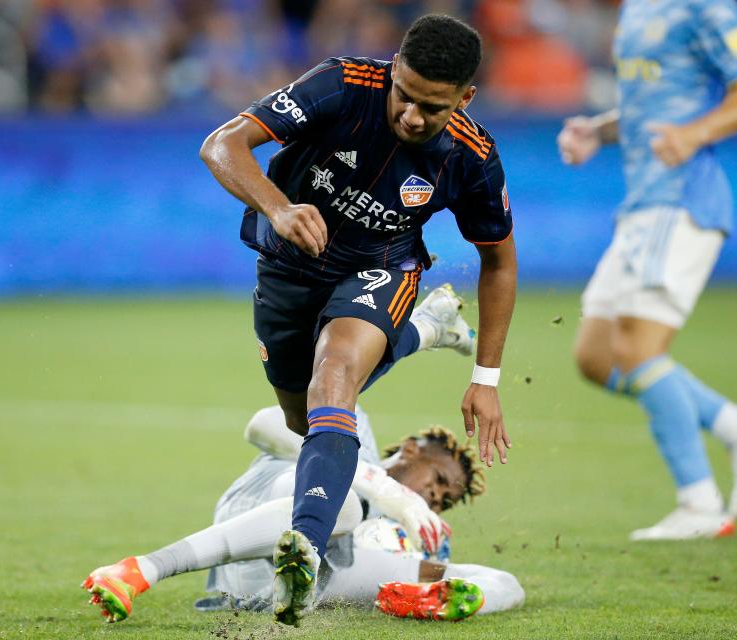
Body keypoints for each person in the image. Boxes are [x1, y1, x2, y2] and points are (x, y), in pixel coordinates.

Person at [198, 13, 517, 625]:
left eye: (434, 107)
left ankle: (305, 550)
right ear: (393, 68)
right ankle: (425, 330)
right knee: (303, 419)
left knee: (335, 381)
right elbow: (222, 143)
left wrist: (488, 378)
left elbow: (499, 261)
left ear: (466, 98)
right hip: (289, 267)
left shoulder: (472, 157)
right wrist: (279, 205)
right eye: (406, 95)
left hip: (379, 269)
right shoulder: (341, 84)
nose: (413, 117)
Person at [557, 0, 737, 541]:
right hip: (643, 207)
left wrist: (696, 134)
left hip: (681, 201)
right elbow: (654, 106)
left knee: (637, 348)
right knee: (596, 354)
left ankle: (699, 503)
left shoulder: (704, 5)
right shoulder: (637, 11)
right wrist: (598, 131)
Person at [81, 405, 525, 624]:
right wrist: (385, 488)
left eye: (443, 500)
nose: (434, 497)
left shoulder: (402, 526)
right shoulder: (354, 428)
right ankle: (144, 568)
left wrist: (425, 563)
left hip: (304, 578)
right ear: (411, 449)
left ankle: (437, 601)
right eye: (439, 479)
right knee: (342, 501)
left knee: (507, 583)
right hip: (261, 511)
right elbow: (262, 425)